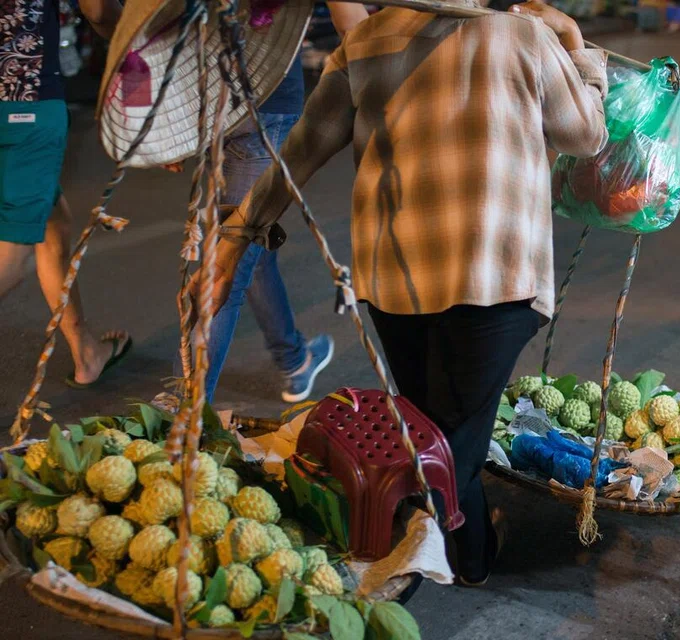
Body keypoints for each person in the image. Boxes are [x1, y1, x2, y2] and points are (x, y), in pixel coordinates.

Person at [203, 0, 608, 584]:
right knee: (447, 449)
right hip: (493, 276)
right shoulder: (525, 35)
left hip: (396, 278)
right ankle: (395, 559)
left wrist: (239, 232)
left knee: (435, 430)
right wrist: (575, 45)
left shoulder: (368, 40)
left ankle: (462, 553)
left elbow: (300, 152)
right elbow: (586, 135)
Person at [186, 2, 370, 404]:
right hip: (265, 103)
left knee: (246, 249)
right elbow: (355, 28)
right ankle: (185, 418)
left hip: (207, 101)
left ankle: (294, 359)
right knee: (227, 264)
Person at [0, 0, 131, 388]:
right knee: (15, 251)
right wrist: (139, 39)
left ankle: (85, 350)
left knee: (53, 224)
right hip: (24, 103)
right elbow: (99, 10)